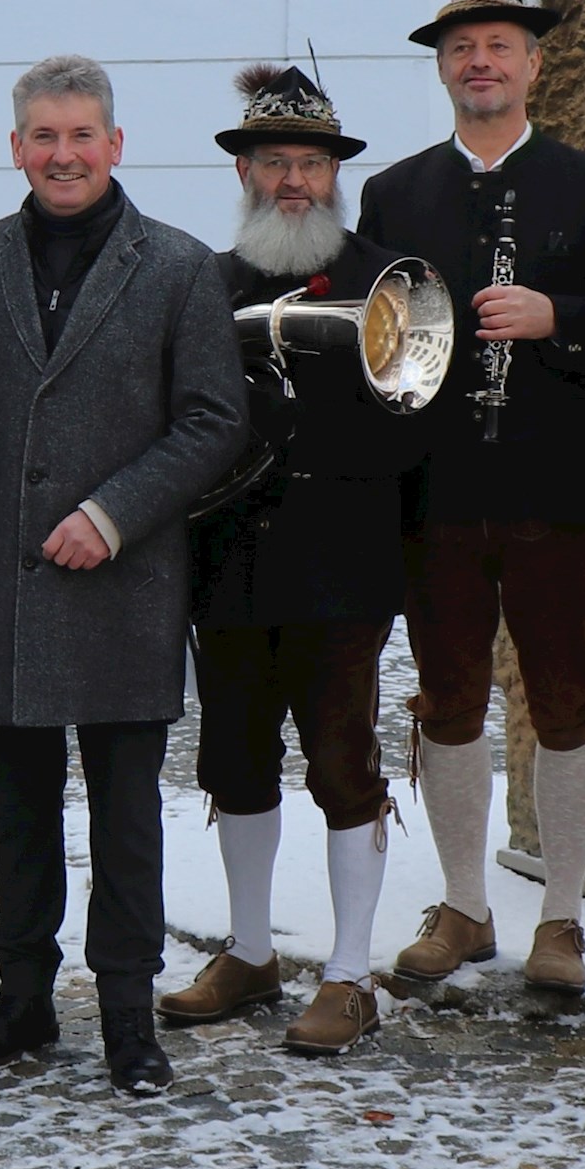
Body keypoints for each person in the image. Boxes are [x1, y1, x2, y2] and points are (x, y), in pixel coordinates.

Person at [0, 55, 245, 1096]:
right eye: (43, 137)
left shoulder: (181, 266)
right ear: (16, 149)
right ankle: (21, 1003)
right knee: (17, 810)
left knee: (125, 816)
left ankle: (127, 1015)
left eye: (81, 135)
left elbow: (214, 422)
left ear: (115, 144)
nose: (63, 154)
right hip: (3, 587)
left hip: (122, 586)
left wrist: (112, 512)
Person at [353, 0, 585, 993]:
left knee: (564, 697)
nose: (481, 61)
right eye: (464, 47)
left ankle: (560, 916)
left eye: (500, 46)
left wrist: (557, 314)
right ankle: (465, 904)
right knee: (447, 696)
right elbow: (376, 341)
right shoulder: (394, 191)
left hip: (555, 486)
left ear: (532, 65)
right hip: (436, 489)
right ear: (442, 68)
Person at [156, 66, 433, 1057]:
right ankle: (248, 950)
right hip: (229, 560)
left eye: (309, 162)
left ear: (333, 173)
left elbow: (416, 432)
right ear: (245, 171)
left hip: (343, 561)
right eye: (273, 161)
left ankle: (351, 971)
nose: (291, 180)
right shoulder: (206, 282)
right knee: (234, 761)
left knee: (343, 764)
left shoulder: (391, 279)